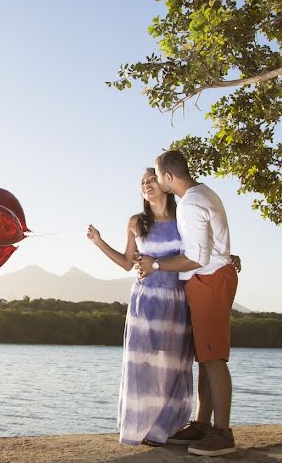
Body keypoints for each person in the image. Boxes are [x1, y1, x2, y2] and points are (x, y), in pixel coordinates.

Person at [135, 150, 239, 457]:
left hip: (210, 280)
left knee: (214, 358)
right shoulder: (201, 193)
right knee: (205, 358)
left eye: (156, 175)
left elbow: (197, 257)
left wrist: (155, 264)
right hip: (208, 280)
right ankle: (201, 424)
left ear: (168, 177)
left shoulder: (191, 203)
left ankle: (222, 433)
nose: (153, 180)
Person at [86, 168, 194, 447]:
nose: (147, 184)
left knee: (171, 365)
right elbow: (125, 262)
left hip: (176, 299)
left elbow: (198, 251)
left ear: (164, 183)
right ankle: (141, 428)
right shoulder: (136, 222)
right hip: (145, 300)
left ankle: (165, 428)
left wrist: (227, 256)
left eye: (151, 179)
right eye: (142, 182)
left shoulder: (183, 217)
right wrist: (98, 241)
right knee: (143, 365)